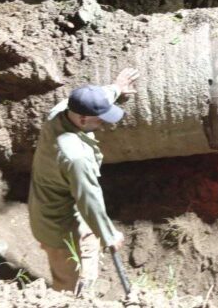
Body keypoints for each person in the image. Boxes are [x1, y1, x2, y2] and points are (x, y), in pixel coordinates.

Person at [28, 68, 140, 293]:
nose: (104, 123)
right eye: (100, 119)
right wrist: (109, 234)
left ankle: (87, 281)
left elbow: (94, 100)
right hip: (57, 224)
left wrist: (116, 88)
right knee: (70, 281)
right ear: (82, 119)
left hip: (60, 205)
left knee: (89, 245)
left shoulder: (61, 110)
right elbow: (89, 198)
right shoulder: (75, 156)